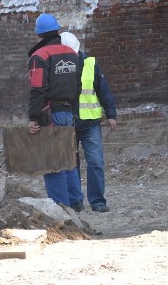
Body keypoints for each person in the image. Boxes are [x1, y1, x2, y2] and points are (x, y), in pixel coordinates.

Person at [27, 13, 85, 211]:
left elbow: (37, 89)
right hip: (68, 113)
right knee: (67, 157)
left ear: (39, 34)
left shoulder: (40, 57)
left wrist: (34, 118)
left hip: (49, 114)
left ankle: (60, 207)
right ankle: (76, 201)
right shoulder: (72, 53)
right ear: (57, 30)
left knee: (53, 163)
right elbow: (78, 86)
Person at [60, 31, 117, 213]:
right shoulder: (58, 66)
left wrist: (111, 114)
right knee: (71, 165)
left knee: (95, 162)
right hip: (68, 124)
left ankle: (98, 202)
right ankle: (75, 202)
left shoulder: (91, 64)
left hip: (90, 123)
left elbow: (104, 90)